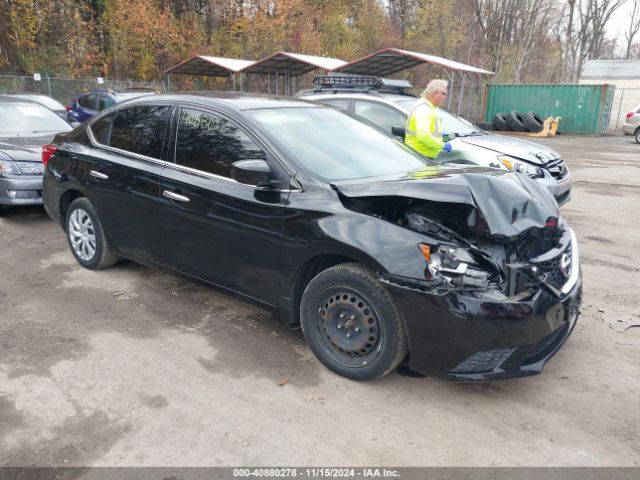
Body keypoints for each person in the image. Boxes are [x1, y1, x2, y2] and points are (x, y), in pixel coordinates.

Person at [404, 79, 452, 159]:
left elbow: (427, 131)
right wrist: (442, 145)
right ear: (434, 93)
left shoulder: (428, 107)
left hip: (420, 156)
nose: (445, 97)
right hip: (420, 157)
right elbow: (423, 135)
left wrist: (439, 135)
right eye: (444, 94)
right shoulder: (424, 110)